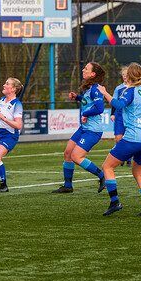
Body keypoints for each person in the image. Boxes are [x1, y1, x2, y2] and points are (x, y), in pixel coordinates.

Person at [96, 63, 141, 216]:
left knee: (107, 166)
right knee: (138, 172)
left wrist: (105, 93)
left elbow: (119, 104)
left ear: (130, 75)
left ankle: (115, 202)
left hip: (134, 137)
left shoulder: (130, 91)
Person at [52, 62, 107, 194]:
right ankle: (68, 186)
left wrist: (85, 113)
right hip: (84, 128)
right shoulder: (90, 89)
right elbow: (89, 102)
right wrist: (78, 97)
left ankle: (102, 176)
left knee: (76, 156)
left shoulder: (95, 89)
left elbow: (100, 108)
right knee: (68, 153)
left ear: (93, 74)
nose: (83, 70)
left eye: (86, 69)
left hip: (93, 131)